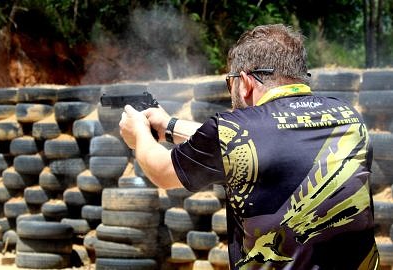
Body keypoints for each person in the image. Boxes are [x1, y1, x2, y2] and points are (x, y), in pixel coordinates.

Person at [119, 24, 379, 269]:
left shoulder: (233, 132)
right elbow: (265, 141)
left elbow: (162, 172)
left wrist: (139, 133)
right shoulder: (349, 117)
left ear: (245, 82)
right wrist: (170, 125)